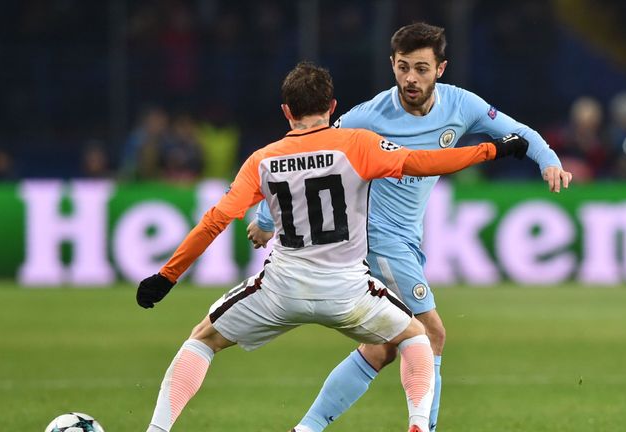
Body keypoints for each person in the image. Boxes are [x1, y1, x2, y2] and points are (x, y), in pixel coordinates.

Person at [136, 61, 530, 432]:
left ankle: (157, 429)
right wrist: (493, 149)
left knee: (203, 339)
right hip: (348, 291)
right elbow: (426, 163)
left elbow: (215, 220)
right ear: (332, 107)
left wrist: (166, 277)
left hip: (281, 289)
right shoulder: (358, 144)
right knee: (416, 336)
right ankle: (417, 425)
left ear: (286, 111)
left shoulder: (263, 159)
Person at [249, 23, 573, 432]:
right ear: (392, 65)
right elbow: (308, 155)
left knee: (383, 347)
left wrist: (548, 161)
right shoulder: (369, 115)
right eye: (403, 68)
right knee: (431, 333)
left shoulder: (462, 105)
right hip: (377, 239)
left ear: (440, 68)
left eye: (421, 69)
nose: (410, 79)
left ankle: (307, 428)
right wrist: (265, 220)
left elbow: (519, 132)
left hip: (406, 239)